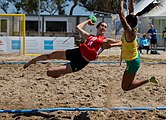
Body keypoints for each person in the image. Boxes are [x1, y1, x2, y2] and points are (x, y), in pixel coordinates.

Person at [23, 19, 118, 78]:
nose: (103, 28)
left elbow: (121, 43)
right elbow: (77, 27)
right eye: (102, 26)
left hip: (81, 62)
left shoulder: (105, 40)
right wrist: (87, 21)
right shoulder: (89, 36)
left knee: (50, 73)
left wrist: (114, 45)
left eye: (105, 27)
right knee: (50, 55)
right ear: (97, 27)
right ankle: (33, 60)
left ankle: (63, 72)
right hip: (76, 52)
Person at [111, 0, 158, 91]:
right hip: (133, 58)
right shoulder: (133, 26)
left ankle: (149, 80)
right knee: (126, 84)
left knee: (125, 87)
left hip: (133, 63)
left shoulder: (130, 32)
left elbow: (121, 16)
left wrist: (121, 1)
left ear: (128, 23)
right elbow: (131, 10)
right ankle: (148, 79)